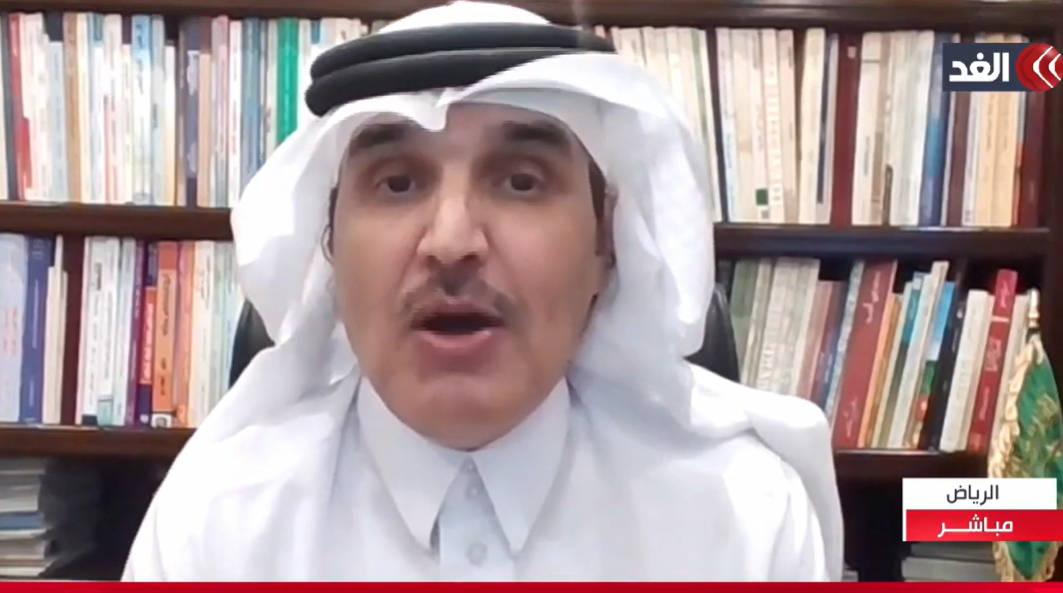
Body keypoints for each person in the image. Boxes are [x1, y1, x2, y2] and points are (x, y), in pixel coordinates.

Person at [123, 1, 843, 581]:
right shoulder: (212, 528)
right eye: (397, 183)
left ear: (607, 245)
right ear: (330, 245)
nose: (450, 241)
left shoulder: (746, 520)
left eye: (520, 182)